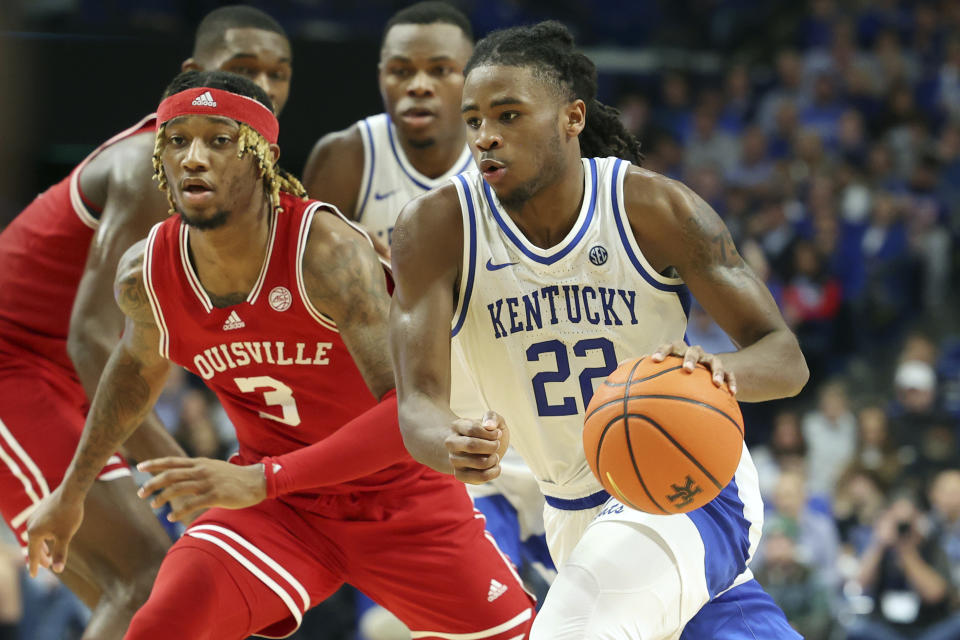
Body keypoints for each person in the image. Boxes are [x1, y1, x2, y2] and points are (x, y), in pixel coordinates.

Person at [26, 71, 535, 640]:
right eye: (177, 140)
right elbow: (133, 376)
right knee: (161, 626)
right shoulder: (146, 275)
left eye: (219, 140)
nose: (194, 157)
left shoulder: (327, 254)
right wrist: (71, 495)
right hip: (276, 514)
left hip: (397, 500)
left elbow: (409, 410)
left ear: (262, 155)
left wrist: (267, 479)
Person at [390, 21, 809, 639]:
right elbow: (417, 405)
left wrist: (717, 373)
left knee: (574, 630)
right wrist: (449, 444)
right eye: (475, 120)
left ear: (572, 118)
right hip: (567, 509)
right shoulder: (434, 227)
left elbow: (785, 358)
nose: (487, 138)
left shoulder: (654, 208)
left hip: (688, 482)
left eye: (509, 115)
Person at [0, 6, 290, 638]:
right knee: (145, 579)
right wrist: (187, 474)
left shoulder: (246, 189)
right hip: (14, 365)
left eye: (277, 74)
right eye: (243, 69)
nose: (262, 87)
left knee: (150, 592)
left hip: (67, 378)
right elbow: (92, 338)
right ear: (193, 75)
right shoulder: (149, 168)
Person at [303, 0, 555, 595]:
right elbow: (298, 296)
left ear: (471, 77)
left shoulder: (512, 162)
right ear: (381, 75)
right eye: (400, 70)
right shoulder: (349, 158)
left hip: (521, 405)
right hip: (421, 424)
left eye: (440, 70)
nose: (418, 85)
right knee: (481, 600)